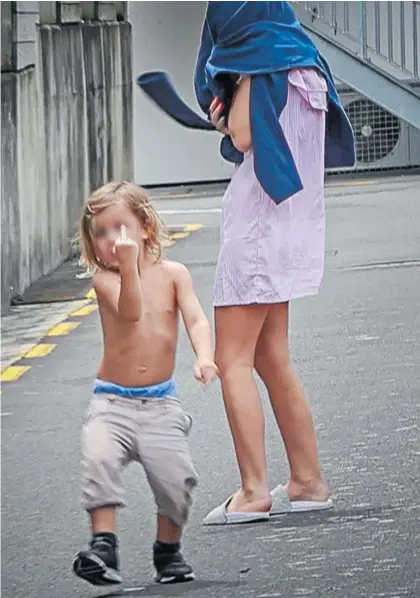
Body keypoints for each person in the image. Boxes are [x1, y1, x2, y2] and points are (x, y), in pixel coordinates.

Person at [136, 3, 355, 525]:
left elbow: (244, 134)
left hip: (256, 226)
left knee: (233, 359)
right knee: (272, 357)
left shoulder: (259, 58)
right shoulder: (304, 60)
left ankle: (253, 490)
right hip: (286, 225)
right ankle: (307, 480)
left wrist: (224, 110)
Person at [72, 181, 218, 585]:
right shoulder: (105, 281)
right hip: (112, 402)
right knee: (98, 458)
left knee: (177, 481)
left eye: (119, 228)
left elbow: (196, 318)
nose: (109, 241)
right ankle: (104, 545)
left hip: (159, 404)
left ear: (146, 227)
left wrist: (204, 355)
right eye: (99, 233)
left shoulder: (174, 275)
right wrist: (129, 264)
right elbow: (131, 312)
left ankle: (167, 551)